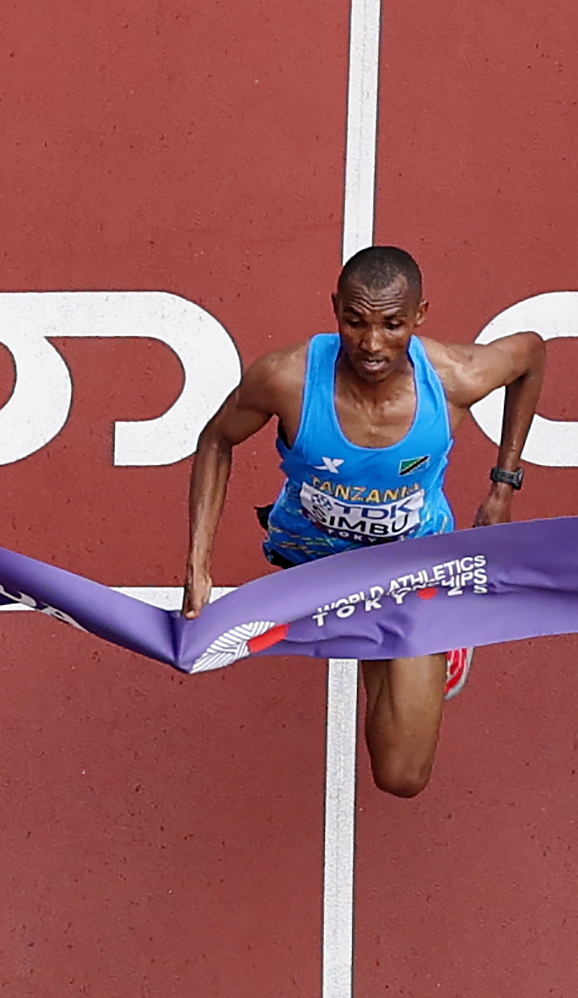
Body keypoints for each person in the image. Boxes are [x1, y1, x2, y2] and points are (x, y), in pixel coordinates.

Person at [183, 245, 548, 798]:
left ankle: (436, 647)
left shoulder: (454, 377)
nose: (372, 344)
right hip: (310, 557)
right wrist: (198, 561)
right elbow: (216, 440)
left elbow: (532, 356)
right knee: (385, 683)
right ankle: (389, 648)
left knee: (400, 776)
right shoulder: (287, 380)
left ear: (420, 316)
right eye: (355, 322)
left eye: (392, 324)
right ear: (335, 310)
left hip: (411, 563)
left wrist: (505, 482)